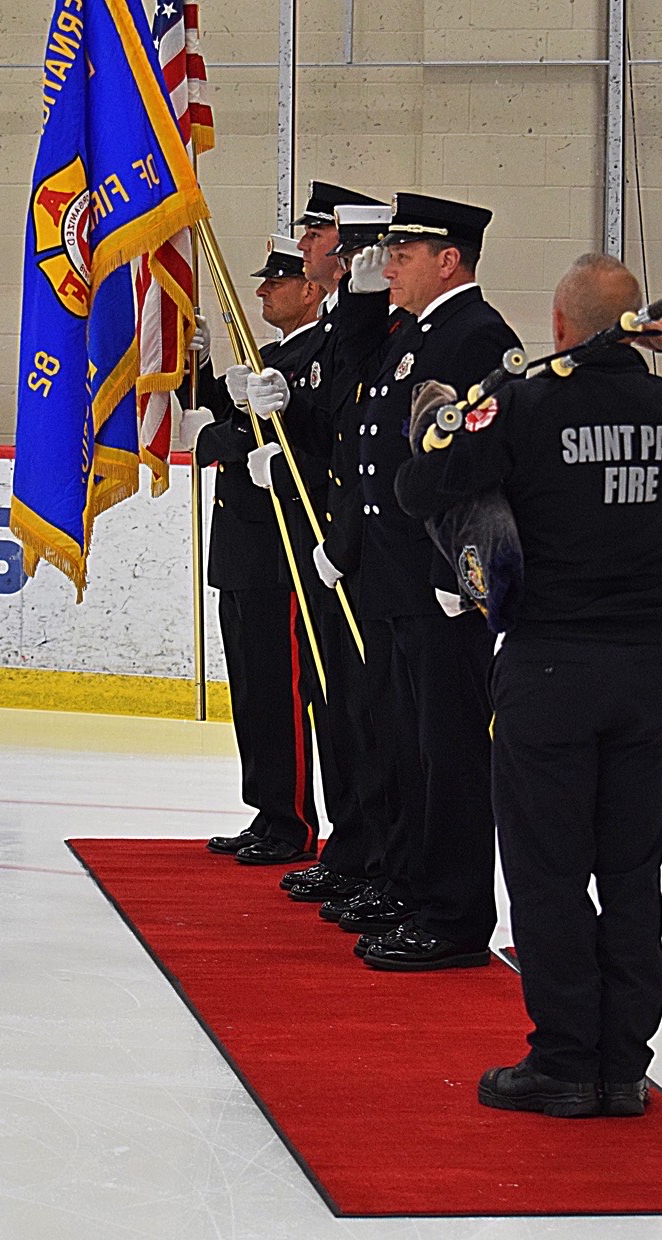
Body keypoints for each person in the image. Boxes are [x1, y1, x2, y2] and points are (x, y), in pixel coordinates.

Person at [395, 252, 662, 1114]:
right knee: (630, 873)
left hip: (548, 669)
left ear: (561, 325)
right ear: (636, 329)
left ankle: (568, 1063)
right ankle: (623, 1067)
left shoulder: (526, 404)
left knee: (547, 873)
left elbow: (420, 481)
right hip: (647, 668)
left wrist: (453, 420)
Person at [312, 193, 523, 971]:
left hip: (439, 580)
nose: (388, 263)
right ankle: (407, 885)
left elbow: (483, 465)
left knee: (451, 751)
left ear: (449, 259)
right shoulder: (415, 332)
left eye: (402, 255)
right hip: (393, 574)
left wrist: (454, 571)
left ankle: (456, 915)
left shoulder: (479, 337)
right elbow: (356, 376)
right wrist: (363, 296)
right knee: (404, 742)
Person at [248, 197, 398, 909]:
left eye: (315, 231)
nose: (304, 241)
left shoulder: (373, 327)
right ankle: (352, 845)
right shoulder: (342, 325)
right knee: (337, 707)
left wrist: (287, 462)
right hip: (335, 544)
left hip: (363, 550)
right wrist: (287, 409)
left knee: (362, 711)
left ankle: (376, 856)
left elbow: (366, 441)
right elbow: (334, 428)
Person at [177, 235, 325, 866]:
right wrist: (201, 374)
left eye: (278, 281)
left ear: (312, 290)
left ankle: (293, 820)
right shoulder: (268, 357)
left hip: (279, 552)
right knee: (254, 691)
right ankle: (268, 810)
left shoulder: (319, 357)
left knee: (282, 690)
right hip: (240, 545)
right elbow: (213, 427)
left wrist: (224, 438)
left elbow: (253, 439)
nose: (263, 290)